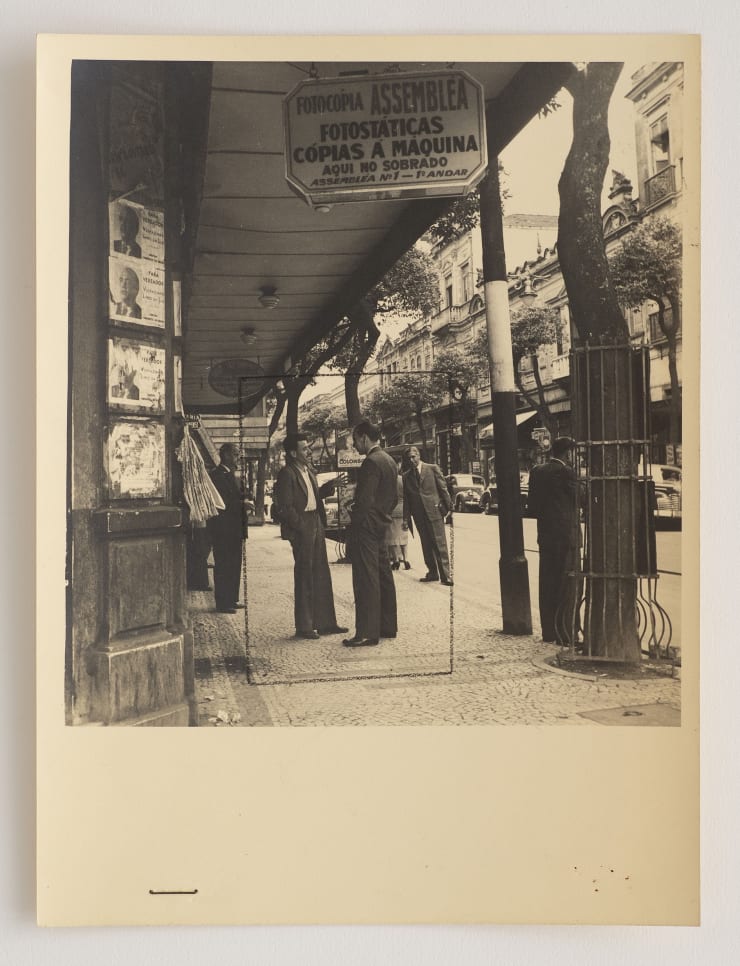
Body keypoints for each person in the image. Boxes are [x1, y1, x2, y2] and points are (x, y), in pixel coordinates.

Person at [274, 434, 348, 640]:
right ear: (293, 453)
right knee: (305, 575)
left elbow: (313, 496)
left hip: (316, 521)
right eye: (304, 448)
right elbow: (285, 507)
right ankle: (304, 626)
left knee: (321, 573)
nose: (308, 451)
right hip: (302, 526)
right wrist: (300, 526)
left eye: (307, 448)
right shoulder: (287, 474)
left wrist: (330, 486)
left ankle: (326, 623)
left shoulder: (309, 470)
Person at [343, 421, 398, 647]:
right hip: (382, 523)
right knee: (384, 575)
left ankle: (366, 632)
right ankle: (387, 626)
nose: (354, 445)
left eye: (355, 440)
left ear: (364, 437)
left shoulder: (370, 462)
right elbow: (393, 497)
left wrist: (355, 517)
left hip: (366, 527)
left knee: (366, 578)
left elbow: (364, 500)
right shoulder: (389, 460)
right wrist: (382, 516)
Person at [527, 436, 581, 644]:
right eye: (575, 453)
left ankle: (548, 631)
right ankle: (565, 633)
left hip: (546, 536)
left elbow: (532, 506)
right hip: (567, 536)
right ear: (568, 453)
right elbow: (581, 498)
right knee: (567, 585)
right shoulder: (567, 472)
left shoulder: (537, 471)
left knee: (547, 583)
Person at [207, 443, 253, 614]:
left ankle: (232, 598)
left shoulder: (232, 475)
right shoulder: (217, 476)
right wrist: (242, 504)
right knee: (223, 565)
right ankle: (223, 602)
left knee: (234, 564)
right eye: (235, 454)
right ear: (225, 455)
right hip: (223, 529)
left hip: (235, 528)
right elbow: (222, 503)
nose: (237, 457)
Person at [402, 445, 453, 586]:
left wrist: (449, 507)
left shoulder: (432, 469)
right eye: (409, 458)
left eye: (413, 457)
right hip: (419, 516)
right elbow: (407, 499)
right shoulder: (406, 477)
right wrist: (405, 518)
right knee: (426, 545)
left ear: (418, 455)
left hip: (434, 512)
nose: (411, 460)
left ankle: (446, 576)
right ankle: (432, 572)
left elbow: (443, 488)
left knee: (439, 544)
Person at [386, 460, 411, 570]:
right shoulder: (403, 480)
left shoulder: (388, 481)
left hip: (391, 511)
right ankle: (406, 559)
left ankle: (396, 560)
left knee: (392, 537)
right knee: (403, 536)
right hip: (403, 511)